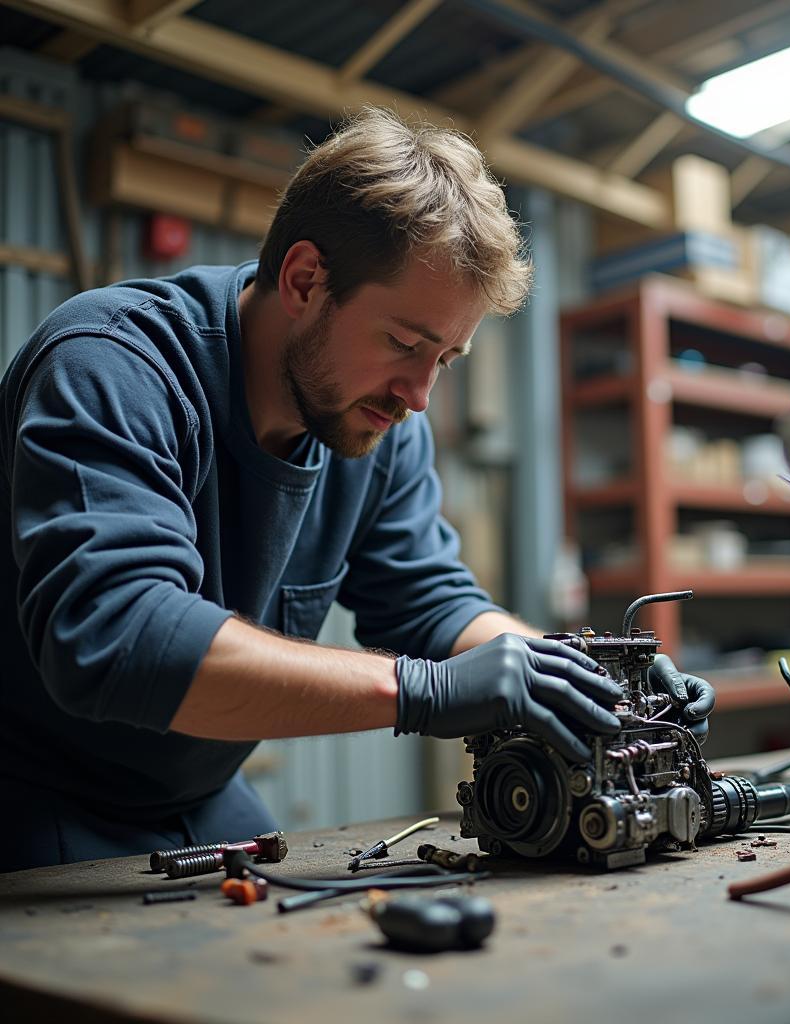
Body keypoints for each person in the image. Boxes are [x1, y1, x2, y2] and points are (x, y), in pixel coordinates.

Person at [0, 107, 715, 872]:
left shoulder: (378, 422)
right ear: (305, 280)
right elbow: (119, 638)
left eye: (445, 359)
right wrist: (423, 691)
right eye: (405, 344)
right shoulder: (112, 366)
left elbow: (431, 603)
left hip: (198, 792)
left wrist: (593, 679)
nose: (419, 395)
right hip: (34, 787)